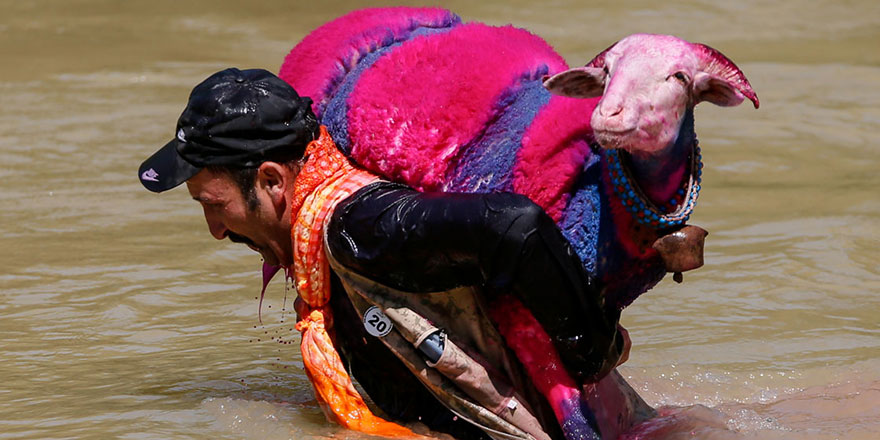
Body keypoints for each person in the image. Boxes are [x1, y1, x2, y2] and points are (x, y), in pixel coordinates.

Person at [139, 68, 627, 440]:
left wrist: (590, 352)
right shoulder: (333, 229)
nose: (216, 231)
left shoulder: (359, 226)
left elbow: (513, 225)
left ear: (271, 181)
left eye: (214, 206)